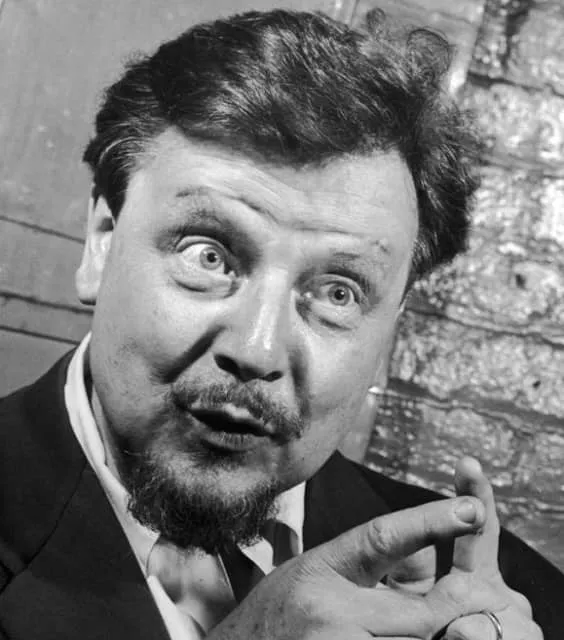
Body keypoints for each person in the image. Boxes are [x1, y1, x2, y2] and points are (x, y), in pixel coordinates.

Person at [0, 8, 562, 640]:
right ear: (102, 242)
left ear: (389, 330)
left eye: (339, 292)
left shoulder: (512, 600)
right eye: (208, 256)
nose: (257, 349)